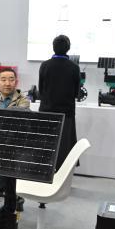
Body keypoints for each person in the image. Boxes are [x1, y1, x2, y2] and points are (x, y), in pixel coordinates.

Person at [0, 67, 30, 204]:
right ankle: (5, 195)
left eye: (11, 80)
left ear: (16, 82)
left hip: (14, 146)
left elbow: (16, 121)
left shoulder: (23, 101)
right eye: (4, 80)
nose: (7, 83)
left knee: (3, 164)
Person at [38, 35, 80, 168]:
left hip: (46, 111)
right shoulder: (74, 67)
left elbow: (41, 90)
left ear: (53, 47)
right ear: (68, 48)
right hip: (66, 113)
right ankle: (63, 171)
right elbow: (77, 93)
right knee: (65, 144)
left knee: (45, 142)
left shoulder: (44, 65)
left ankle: (44, 169)